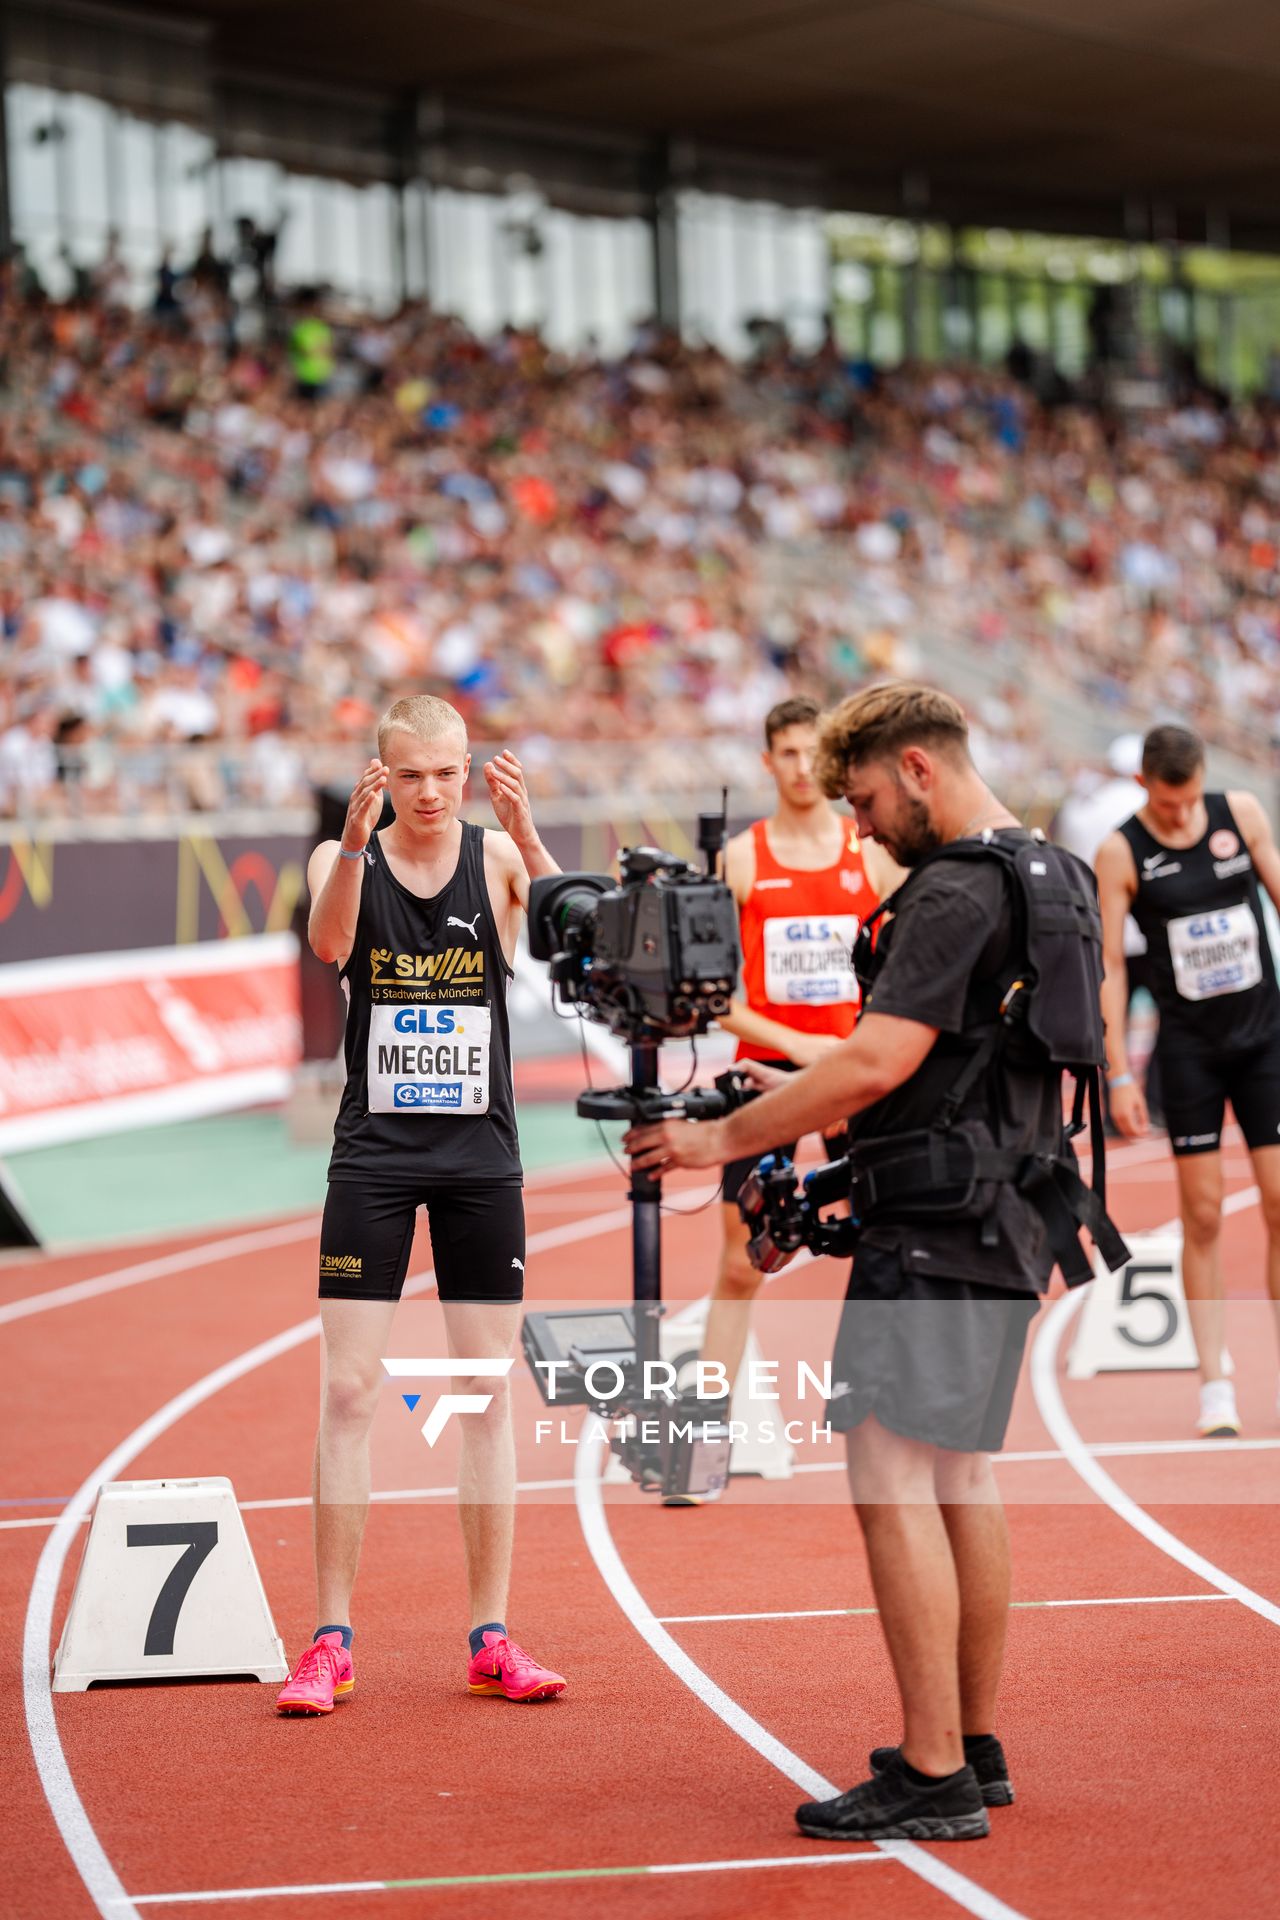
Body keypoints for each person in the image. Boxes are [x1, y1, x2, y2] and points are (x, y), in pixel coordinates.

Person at [625, 683, 1112, 1843]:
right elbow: (989, 1067)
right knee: (960, 1477)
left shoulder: (947, 891)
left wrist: (710, 1138)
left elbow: (870, 1064)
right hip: (1015, 1208)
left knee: (891, 1484)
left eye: (866, 800)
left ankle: (933, 1770)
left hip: (937, 1226)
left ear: (916, 768)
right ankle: (971, 1744)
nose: (863, 828)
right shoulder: (1059, 876)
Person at [276, 694, 567, 1715]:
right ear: (380, 776)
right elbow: (327, 946)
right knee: (351, 1393)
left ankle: (491, 1634)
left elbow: (574, 932)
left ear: (469, 768)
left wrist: (527, 831)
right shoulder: (336, 858)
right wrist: (354, 842)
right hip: (376, 1159)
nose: (433, 793)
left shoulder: (493, 860)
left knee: (485, 1391)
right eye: (411, 776)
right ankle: (328, 1638)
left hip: (479, 1158)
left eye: (448, 773)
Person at [693, 696, 897, 1500]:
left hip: (860, 1080)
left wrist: (851, 1054)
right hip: (765, 1077)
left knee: (886, 1254)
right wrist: (808, 1047)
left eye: (816, 752)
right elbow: (711, 995)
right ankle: (702, 1444)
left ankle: (883, 1434)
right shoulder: (739, 860)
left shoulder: (869, 852)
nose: (803, 767)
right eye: (788, 753)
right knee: (741, 1266)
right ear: (768, 762)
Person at [1094, 724, 1280, 1438]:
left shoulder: (1242, 815)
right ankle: (1215, 1386)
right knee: (1201, 1214)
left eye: (1191, 800)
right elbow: (1111, 965)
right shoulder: (1122, 850)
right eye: (1168, 804)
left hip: (1264, 1039)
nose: (1181, 816)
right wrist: (1117, 1072)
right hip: (1189, 1051)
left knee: (1279, 1204)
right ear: (1144, 786)